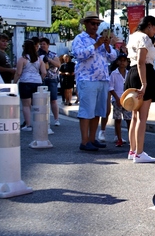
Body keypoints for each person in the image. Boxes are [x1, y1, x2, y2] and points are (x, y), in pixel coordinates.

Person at [72, 11, 117, 152]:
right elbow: (78, 54)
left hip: (102, 79)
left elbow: (113, 57)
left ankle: (92, 139)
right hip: (87, 79)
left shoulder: (101, 39)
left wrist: (108, 46)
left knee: (98, 110)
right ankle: (84, 141)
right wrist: (95, 45)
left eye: (97, 24)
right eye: (92, 23)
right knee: (87, 110)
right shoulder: (79, 39)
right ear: (85, 24)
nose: (95, 26)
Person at [125, 15, 155, 163]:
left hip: (133, 72)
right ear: (149, 25)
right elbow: (143, 61)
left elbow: (148, 54)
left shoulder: (134, 36)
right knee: (142, 117)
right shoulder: (144, 38)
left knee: (135, 116)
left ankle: (133, 150)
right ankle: (139, 153)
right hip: (144, 73)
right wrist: (144, 83)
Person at [13, 39, 46, 131]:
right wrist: (40, 79)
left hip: (25, 82)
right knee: (37, 105)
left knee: (26, 105)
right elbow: (44, 72)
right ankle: (40, 123)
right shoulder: (39, 59)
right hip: (37, 82)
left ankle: (28, 125)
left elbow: (18, 73)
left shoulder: (22, 59)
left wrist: (14, 83)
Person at [109, 53, 131, 147]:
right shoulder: (114, 74)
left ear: (127, 62)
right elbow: (111, 87)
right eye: (120, 60)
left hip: (127, 100)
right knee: (118, 119)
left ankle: (131, 138)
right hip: (117, 99)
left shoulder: (129, 73)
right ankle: (119, 138)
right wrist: (117, 99)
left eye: (124, 61)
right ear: (117, 62)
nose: (122, 62)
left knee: (129, 119)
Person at [38, 37, 61, 126]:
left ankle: (56, 119)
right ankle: (43, 119)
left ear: (48, 45)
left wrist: (49, 60)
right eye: (41, 44)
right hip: (42, 79)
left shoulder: (53, 54)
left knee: (53, 100)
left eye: (44, 44)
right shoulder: (37, 55)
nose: (42, 46)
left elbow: (58, 64)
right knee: (41, 100)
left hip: (52, 78)